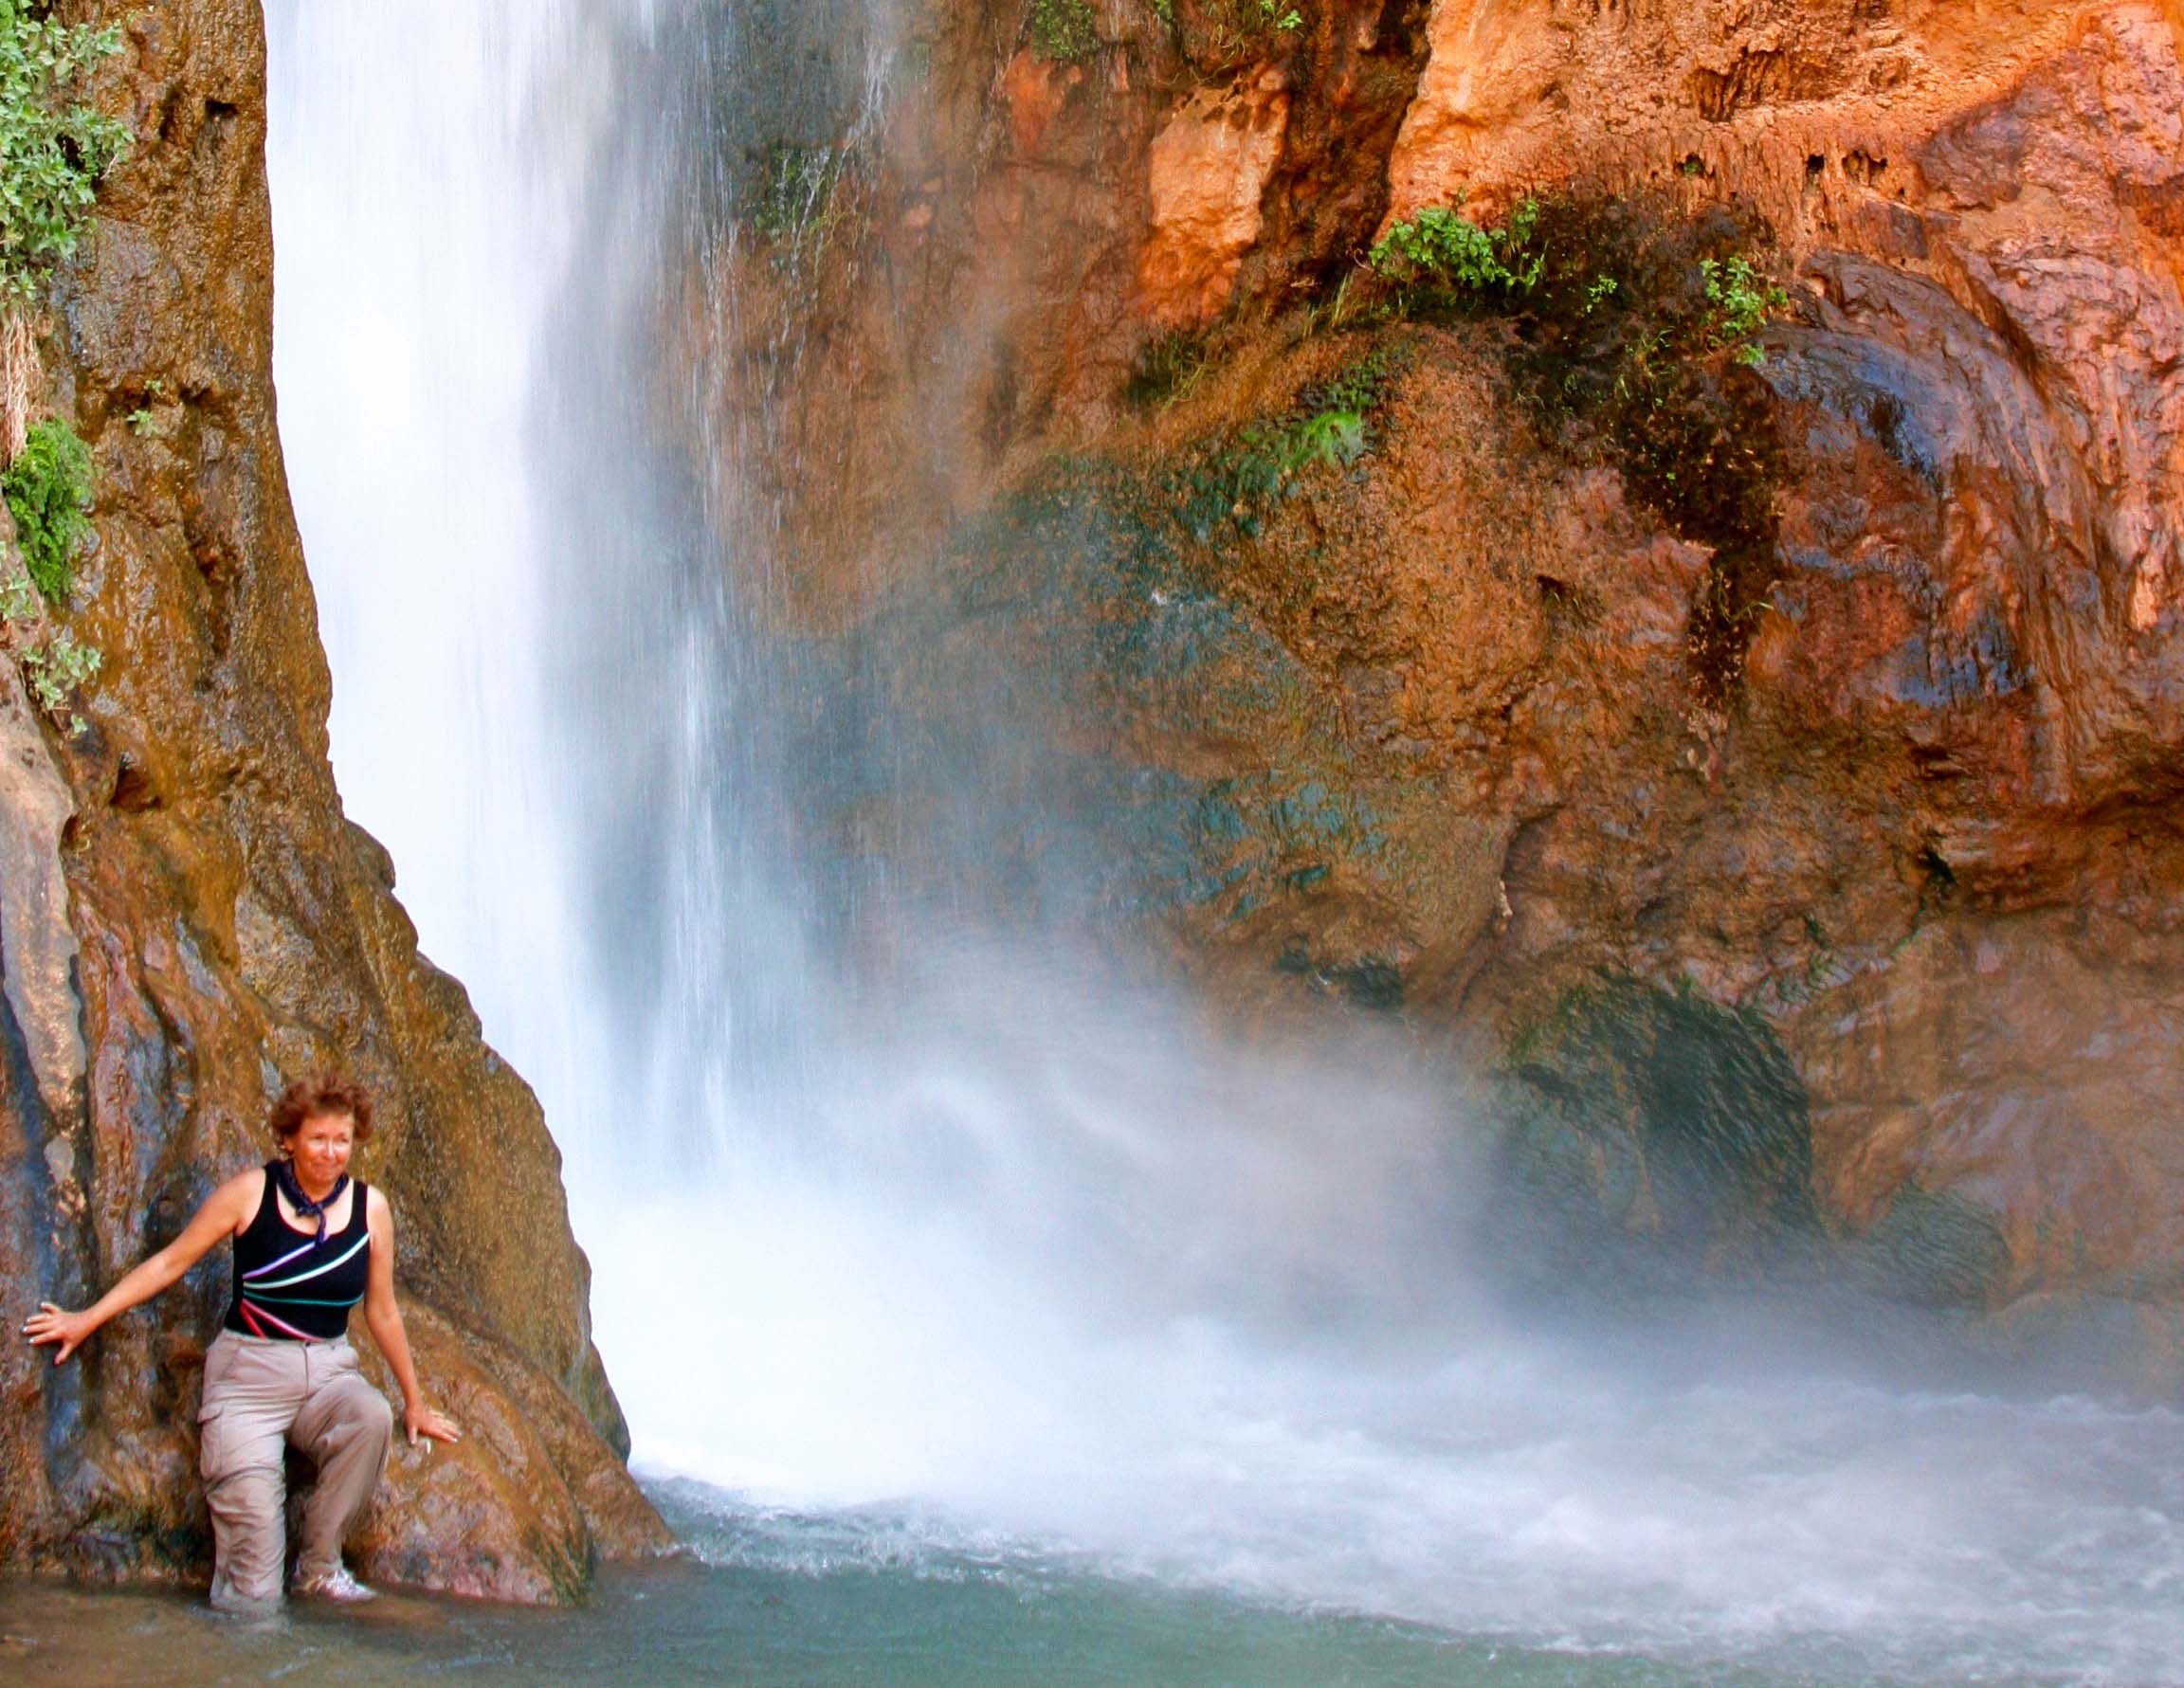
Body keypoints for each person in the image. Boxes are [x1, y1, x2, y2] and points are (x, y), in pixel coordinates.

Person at [22, 1076, 462, 1609]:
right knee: (252, 1595)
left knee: (372, 1418)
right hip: (247, 1381)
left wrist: (415, 1403)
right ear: (290, 1140)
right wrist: (85, 1319)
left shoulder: (373, 1210)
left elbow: (383, 1311)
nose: (331, 1152)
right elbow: (170, 1262)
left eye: (342, 1140)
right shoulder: (250, 1194)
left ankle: (320, 1566)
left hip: (328, 1373)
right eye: (318, 1139)